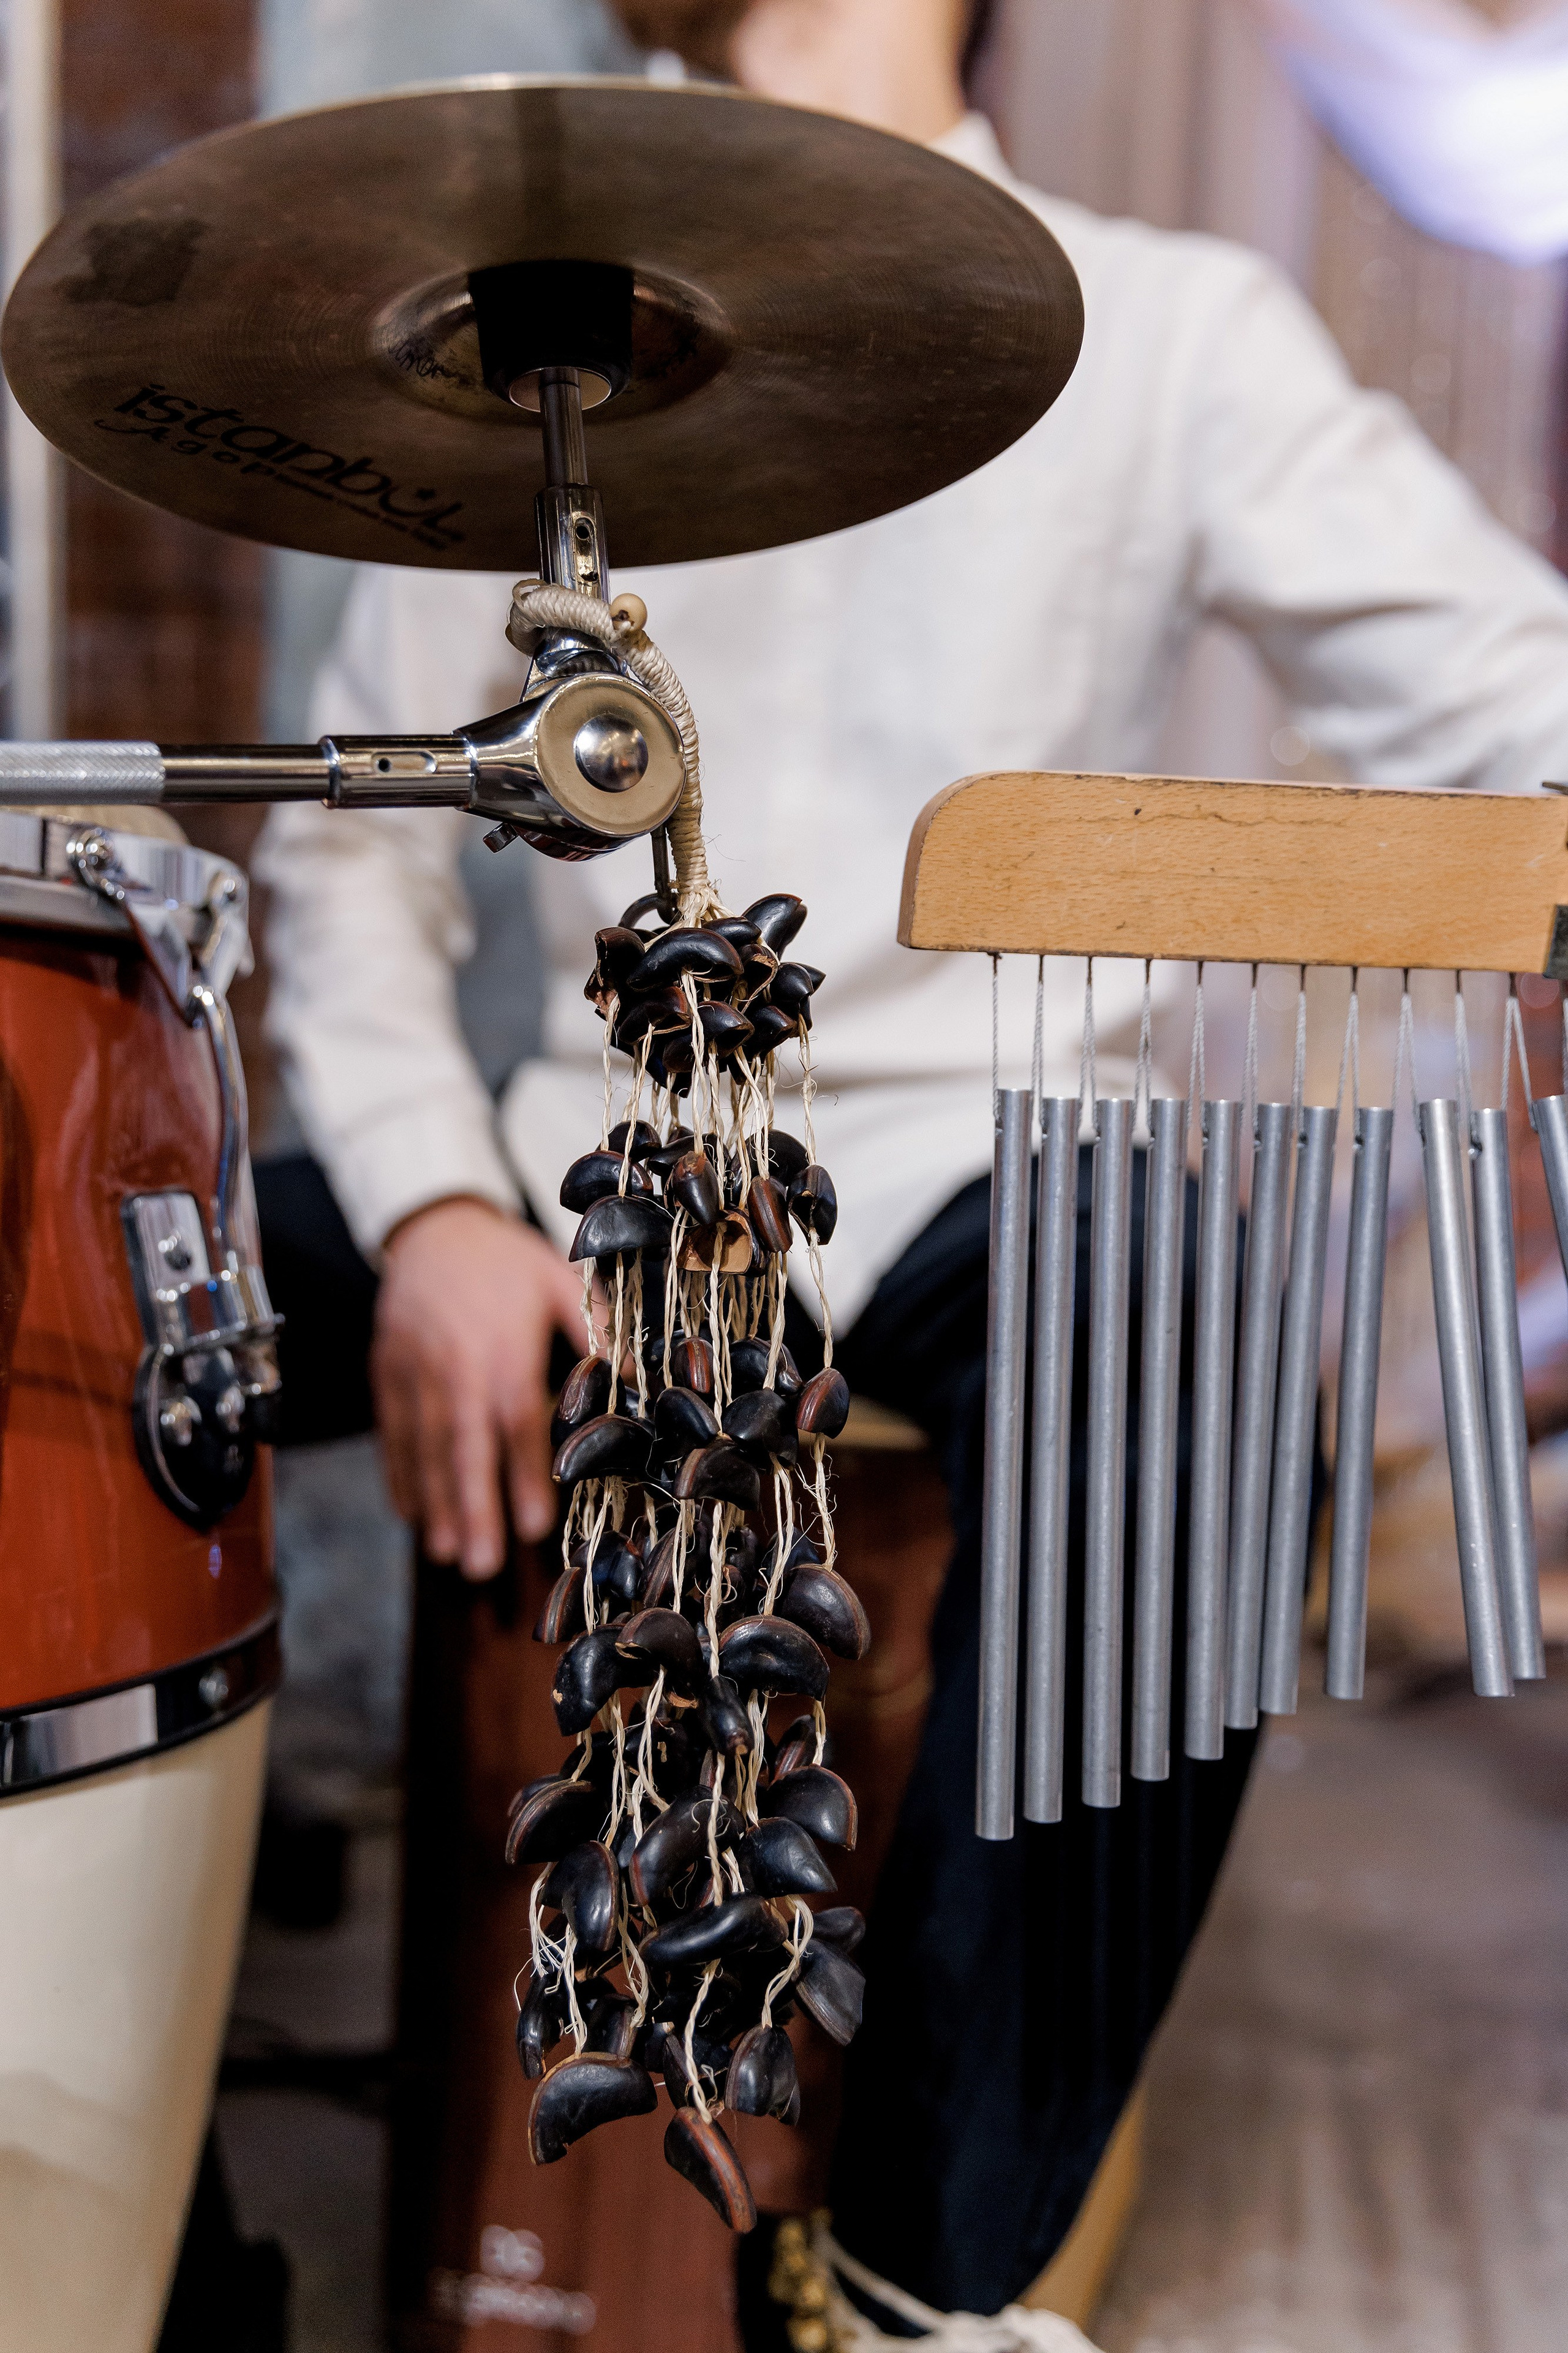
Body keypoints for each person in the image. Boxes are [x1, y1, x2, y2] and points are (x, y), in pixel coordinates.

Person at [255, 0, 1568, 2335]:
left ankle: (905, 2287)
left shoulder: (1173, 331)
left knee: (1192, 1339)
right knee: (114, 1299)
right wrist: (438, 1205)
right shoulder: (525, 338)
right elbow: (363, 884)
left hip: (981, 1148)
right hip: (609, 1157)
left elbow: (1517, 694)